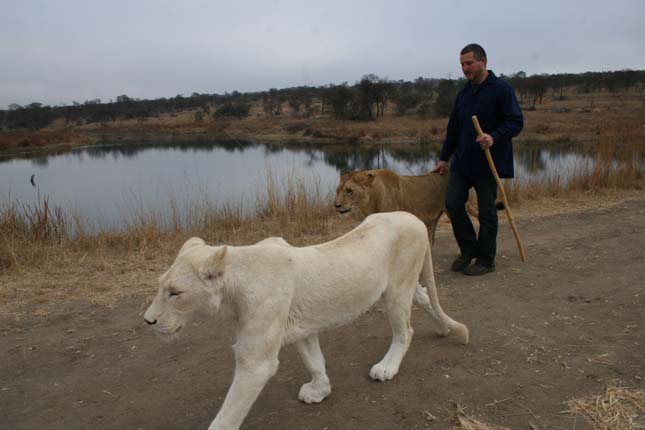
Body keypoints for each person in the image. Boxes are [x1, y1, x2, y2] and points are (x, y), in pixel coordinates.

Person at [432, 43, 523, 276]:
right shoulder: (464, 93)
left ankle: (486, 260)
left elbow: (515, 122)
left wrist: (493, 137)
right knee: (453, 203)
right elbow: (454, 128)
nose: (465, 68)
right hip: (463, 161)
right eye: (462, 64)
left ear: (484, 61)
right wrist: (444, 158)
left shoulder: (501, 90)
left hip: (488, 161)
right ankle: (469, 249)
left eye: (469, 63)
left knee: (486, 212)